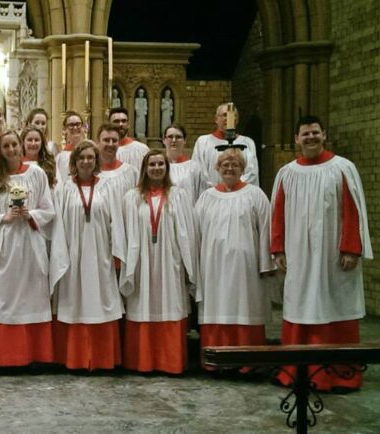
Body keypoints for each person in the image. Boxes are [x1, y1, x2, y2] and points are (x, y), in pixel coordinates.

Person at [271, 115, 372, 392]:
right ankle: (294, 371)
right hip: (299, 254)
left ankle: (339, 373)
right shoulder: (287, 173)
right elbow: (277, 212)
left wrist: (351, 248)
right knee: (300, 303)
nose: (311, 138)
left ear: (324, 134)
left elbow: (352, 212)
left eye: (315, 133)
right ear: (296, 139)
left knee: (334, 304)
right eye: (305, 134)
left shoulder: (342, 169)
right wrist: (277, 247)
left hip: (332, 256)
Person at [0, 131, 56, 367]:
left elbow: (48, 209)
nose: (11, 149)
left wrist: (30, 214)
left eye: (14, 144)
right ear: (0, 151)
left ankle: (37, 356)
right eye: (6, 146)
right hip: (6, 247)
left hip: (31, 244)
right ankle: (8, 357)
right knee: (8, 299)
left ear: (20, 146)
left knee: (33, 296)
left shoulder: (36, 173)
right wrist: (6, 217)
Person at [194, 149, 274, 370]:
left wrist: (266, 264)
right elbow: (195, 234)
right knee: (217, 308)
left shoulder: (255, 194)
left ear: (242, 169)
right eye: (225, 165)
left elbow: (266, 228)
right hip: (213, 267)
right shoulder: (206, 197)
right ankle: (216, 362)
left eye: (235, 165)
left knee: (244, 307)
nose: (229, 169)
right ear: (217, 169)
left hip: (246, 268)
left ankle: (248, 363)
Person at [50, 142, 126, 370]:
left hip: (101, 254)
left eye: (90, 158)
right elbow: (58, 227)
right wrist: (61, 256)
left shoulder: (107, 187)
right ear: (74, 161)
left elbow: (117, 223)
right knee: (75, 301)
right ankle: (75, 358)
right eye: (81, 157)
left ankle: (102, 359)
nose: (86, 162)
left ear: (96, 161)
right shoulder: (64, 189)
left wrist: (116, 254)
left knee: (100, 300)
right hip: (73, 256)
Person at [122, 149, 197, 374]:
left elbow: (187, 233)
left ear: (167, 168)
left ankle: (169, 361)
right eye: (152, 164)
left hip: (169, 259)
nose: (156, 168)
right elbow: (126, 233)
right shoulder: (132, 197)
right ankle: (142, 361)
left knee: (169, 304)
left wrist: (187, 265)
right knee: (143, 303)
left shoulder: (178, 195)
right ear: (145, 168)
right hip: (142, 260)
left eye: (160, 164)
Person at [192, 103, 259, 187]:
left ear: (237, 120)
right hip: (211, 194)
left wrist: (233, 187)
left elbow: (252, 173)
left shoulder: (247, 143)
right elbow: (198, 172)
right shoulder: (203, 142)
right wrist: (217, 190)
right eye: (224, 115)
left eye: (232, 115)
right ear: (216, 119)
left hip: (240, 195)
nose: (228, 119)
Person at [162, 124, 206, 204]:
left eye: (178, 137)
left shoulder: (194, 167)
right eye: (170, 137)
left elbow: (201, 196)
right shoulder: (158, 167)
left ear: (184, 141)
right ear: (164, 140)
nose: (174, 140)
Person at [110, 108, 149, 173]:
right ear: (109, 124)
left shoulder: (142, 149)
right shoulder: (104, 152)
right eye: (116, 121)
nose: (120, 124)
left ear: (128, 124)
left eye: (124, 121)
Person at [55, 111, 85, 185]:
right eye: (71, 125)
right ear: (65, 129)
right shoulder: (60, 158)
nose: (75, 128)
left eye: (78, 124)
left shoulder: (92, 151)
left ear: (83, 127)